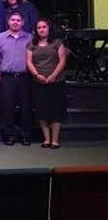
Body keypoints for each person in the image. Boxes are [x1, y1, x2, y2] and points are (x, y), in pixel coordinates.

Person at [0, 11, 33, 146]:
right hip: (7, 78)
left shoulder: (30, 38)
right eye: (13, 20)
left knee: (26, 108)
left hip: (25, 77)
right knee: (7, 108)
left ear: (22, 22)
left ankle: (25, 135)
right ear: (8, 22)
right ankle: (9, 135)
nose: (15, 22)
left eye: (18, 20)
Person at [26, 18, 67, 149]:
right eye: (39, 28)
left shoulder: (57, 42)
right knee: (41, 111)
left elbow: (62, 61)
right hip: (38, 82)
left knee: (56, 111)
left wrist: (53, 76)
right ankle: (46, 139)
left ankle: (55, 140)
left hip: (56, 82)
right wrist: (37, 75)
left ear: (49, 28)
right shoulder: (32, 44)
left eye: (44, 27)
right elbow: (29, 62)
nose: (41, 30)